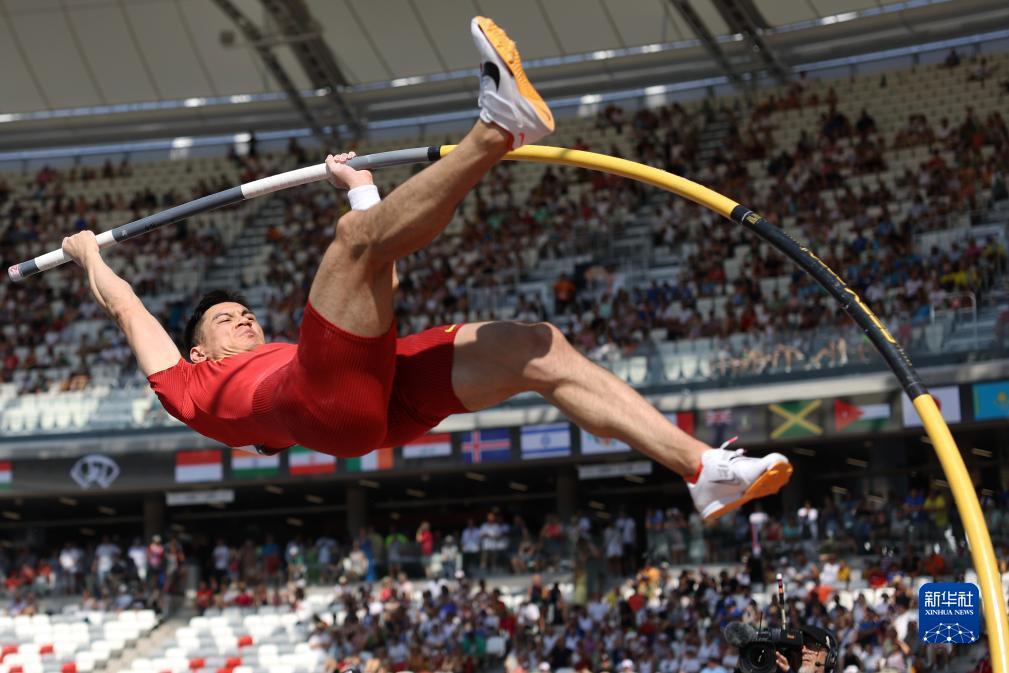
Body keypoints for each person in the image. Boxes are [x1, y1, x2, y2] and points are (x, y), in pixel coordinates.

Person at [60, 17, 790, 521]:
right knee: (351, 241)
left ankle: (704, 470)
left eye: (244, 311)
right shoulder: (186, 388)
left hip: (370, 396)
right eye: (226, 320)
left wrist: (363, 187)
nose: (244, 317)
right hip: (321, 404)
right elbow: (126, 305)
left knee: (535, 347)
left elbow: (389, 276)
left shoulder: (282, 354)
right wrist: (88, 253)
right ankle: (495, 127)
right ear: (199, 352)